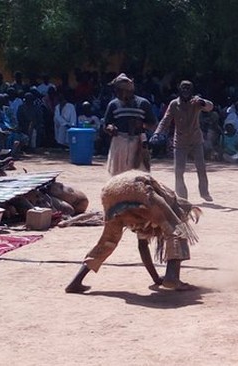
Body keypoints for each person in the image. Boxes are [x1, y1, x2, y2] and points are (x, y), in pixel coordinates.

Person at [65, 170, 202, 293]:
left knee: (108, 240)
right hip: (136, 188)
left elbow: (143, 247)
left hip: (110, 194)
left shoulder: (142, 221)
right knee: (176, 229)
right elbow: (171, 228)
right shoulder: (171, 201)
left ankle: (75, 282)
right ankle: (172, 276)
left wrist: (155, 278)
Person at [152, 80, 214, 202]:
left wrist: (202, 101)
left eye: (188, 88)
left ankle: (204, 192)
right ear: (179, 90)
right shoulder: (174, 104)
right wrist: (157, 133)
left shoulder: (196, 102)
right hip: (180, 141)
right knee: (179, 170)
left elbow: (210, 106)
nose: (185, 90)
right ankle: (182, 197)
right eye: (183, 88)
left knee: (201, 167)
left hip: (196, 140)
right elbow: (165, 120)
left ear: (191, 90)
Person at [103, 73, 157, 176]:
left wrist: (141, 125)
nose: (117, 93)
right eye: (116, 90)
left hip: (138, 143)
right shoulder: (113, 104)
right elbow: (106, 125)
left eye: (119, 90)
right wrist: (110, 128)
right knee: (118, 175)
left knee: (138, 176)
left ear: (129, 91)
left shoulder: (143, 103)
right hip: (119, 143)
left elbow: (153, 124)